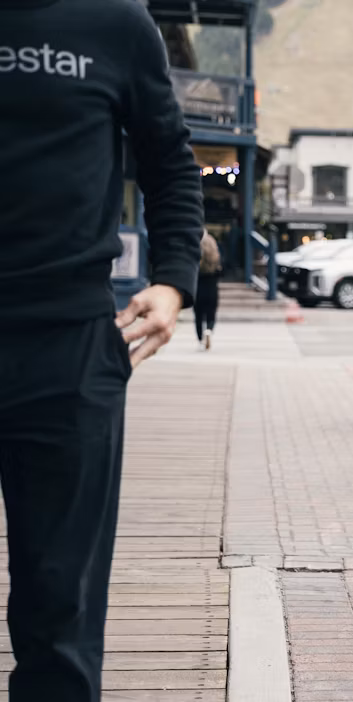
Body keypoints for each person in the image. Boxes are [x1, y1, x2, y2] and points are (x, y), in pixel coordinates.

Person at [0, 2, 203, 700]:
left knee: (61, 609)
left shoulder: (114, 23)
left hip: (70, 348)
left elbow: (171, 162)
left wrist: (175, 281)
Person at [195, 231, 222, 350]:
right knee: (211, 314)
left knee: (198, 316)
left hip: (198, 288)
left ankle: (201, 339)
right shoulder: (214, 251)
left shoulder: (196, 248)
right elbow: (221, 270)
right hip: (212, 287)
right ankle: (209, 330)